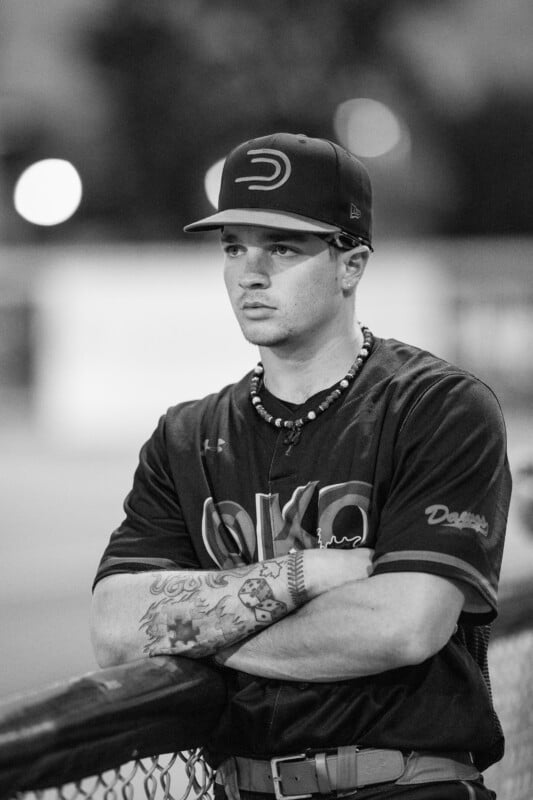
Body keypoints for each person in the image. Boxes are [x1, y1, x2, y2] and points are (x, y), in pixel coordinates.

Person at [91, 133, 511, 799]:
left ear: (351, 265)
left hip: (402, 786)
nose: (248, 272)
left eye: (281, 247)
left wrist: (194, 628)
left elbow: (401, 626)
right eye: (233, 246)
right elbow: (115, 629)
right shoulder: (185, 435)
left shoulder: (437, 407)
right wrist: (297, 576)